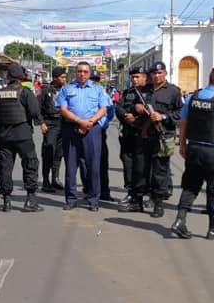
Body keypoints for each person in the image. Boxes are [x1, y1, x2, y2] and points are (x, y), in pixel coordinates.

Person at [170, 68, 214, 240]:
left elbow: (183, 123)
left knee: (190, 187)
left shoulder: (192, 98)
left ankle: (180, 220)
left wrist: (182, 145)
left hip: (194, 149)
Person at [56, 60, 112, 211]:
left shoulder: (98, 89)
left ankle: (94, 200)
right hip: (71, 129)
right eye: (79, 71)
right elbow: (62, 109)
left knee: (93, 166)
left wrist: (91, 121)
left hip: (92, 130)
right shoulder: (66, 89)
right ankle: (71, 199)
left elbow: (103, 109)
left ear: (90, 73)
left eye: (85, 71)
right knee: (71, 166)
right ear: (76, 72)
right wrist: (79, 121)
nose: (82, 74)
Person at [0, 64, 43, 212]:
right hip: (23, 134)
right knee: (30, 164)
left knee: (6, 167)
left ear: (8, 77)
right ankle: (30, 200)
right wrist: (40, 122)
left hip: (5, 136)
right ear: (21, 77)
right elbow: (35, 111)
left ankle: (6, 201)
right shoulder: (25, 92)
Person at [143, 61, 184, 218]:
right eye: (154, 73)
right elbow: (137, 105)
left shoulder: (173, 91)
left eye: (159, 73)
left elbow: (180, 112)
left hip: (163, 135)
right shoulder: (145, 90)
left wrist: (164, 116)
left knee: (160, 170)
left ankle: (158, 203)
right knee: (145, 169)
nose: (156, 76)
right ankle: (148, 197)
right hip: (146, 135)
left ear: (165, 73)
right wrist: (138, 108)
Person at [116, 66, 152, 213]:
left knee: (144, 167)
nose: (135, 80)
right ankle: (131, 192)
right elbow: (119, 107)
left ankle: (148, 195)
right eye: (133, 77)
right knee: (128, 163)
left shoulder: (151, 92)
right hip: (128, 133)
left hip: (144, 134)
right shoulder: (128, 92)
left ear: (145, 77)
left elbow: (152, 111)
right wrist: (126, 116)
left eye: (138, 77)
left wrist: (136, 118)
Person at [38, 66, 67, 192]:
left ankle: (55, 178)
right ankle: (45, 181)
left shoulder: (66, 90)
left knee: (59, 153)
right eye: (62, 77)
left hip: (63, 124)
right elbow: (37, 108)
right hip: (50, 123)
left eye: (65, 77)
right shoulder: (45, 90)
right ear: (55, 78)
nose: (64, 79)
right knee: (48, 151)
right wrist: (41, 123)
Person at [91, 71, 116, 202]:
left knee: (102, 163)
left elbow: (111, 113)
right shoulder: (84, 94)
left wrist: (102, 123)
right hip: (87, 130)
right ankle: (89, 190)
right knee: (87, 163)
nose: (94, 82)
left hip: (100, 132)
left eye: (96, 79)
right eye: (92, 79)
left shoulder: (105, 95)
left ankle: (104, 191)